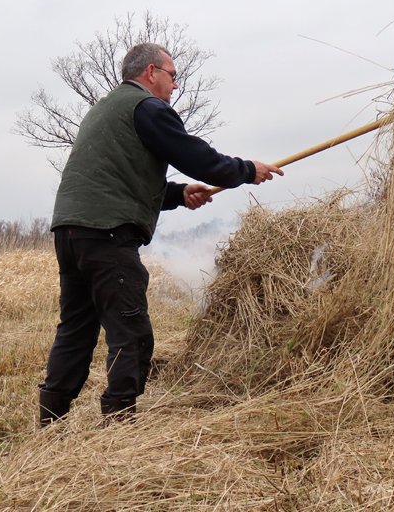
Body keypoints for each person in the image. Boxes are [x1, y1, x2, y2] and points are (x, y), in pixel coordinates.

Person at [38, 43, 282, 425]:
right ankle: (120, 423)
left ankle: (50, 421)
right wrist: (247, 170)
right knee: (131, 330)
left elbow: (122, 179)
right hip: (108, 233)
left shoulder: (105, 110)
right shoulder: (147, 107)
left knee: (76, 328)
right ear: (151, 72)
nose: (176, 84)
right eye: (172, 75)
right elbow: (199, 158)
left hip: (72, 231)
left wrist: (179, 194)